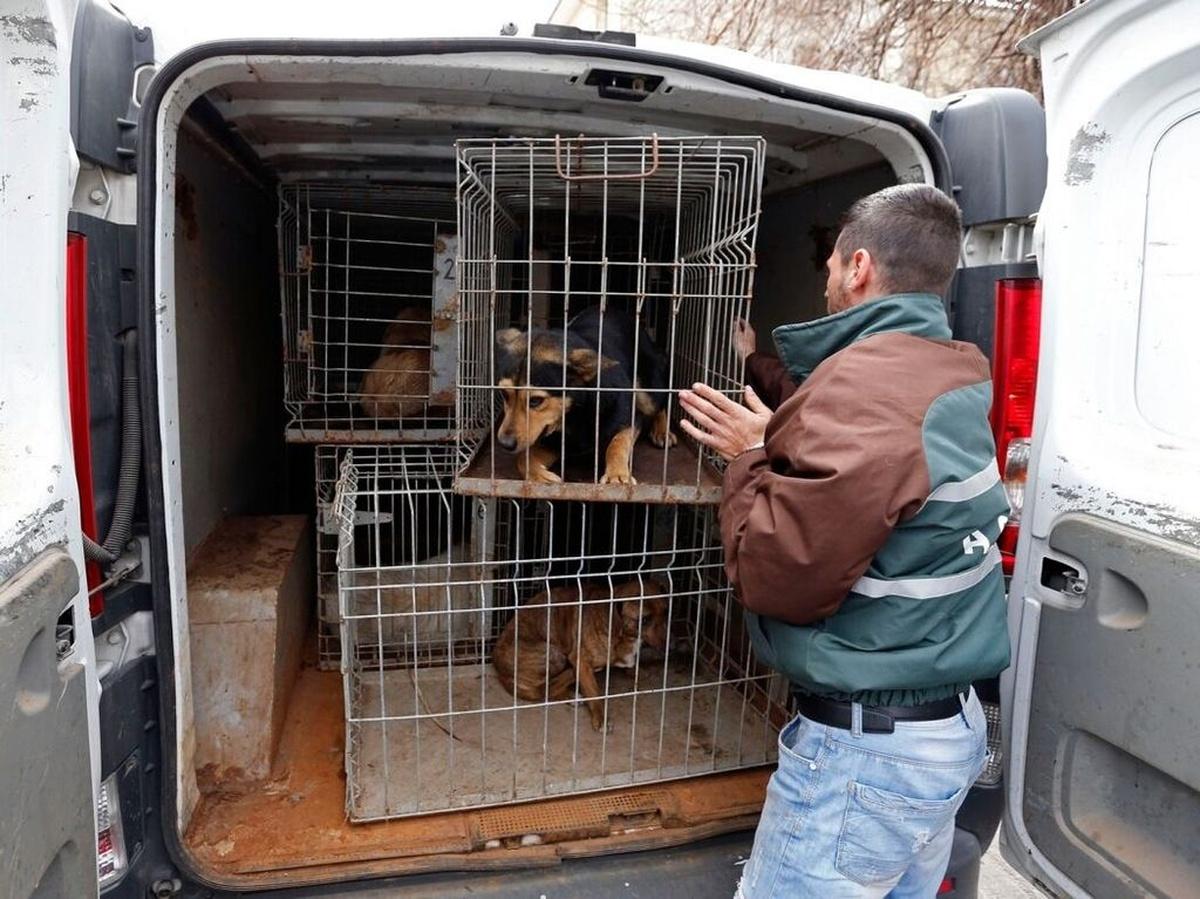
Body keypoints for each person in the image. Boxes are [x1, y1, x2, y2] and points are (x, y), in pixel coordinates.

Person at [679, 183, 1011, 898]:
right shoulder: (950, 369)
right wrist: (771, 436)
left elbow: (776, 576)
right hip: (946, 728)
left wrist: (746, 457)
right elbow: (872, 467)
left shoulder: (866, 392)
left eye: (829, 265)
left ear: (857, 267)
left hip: (868, 757)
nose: (825, 279)